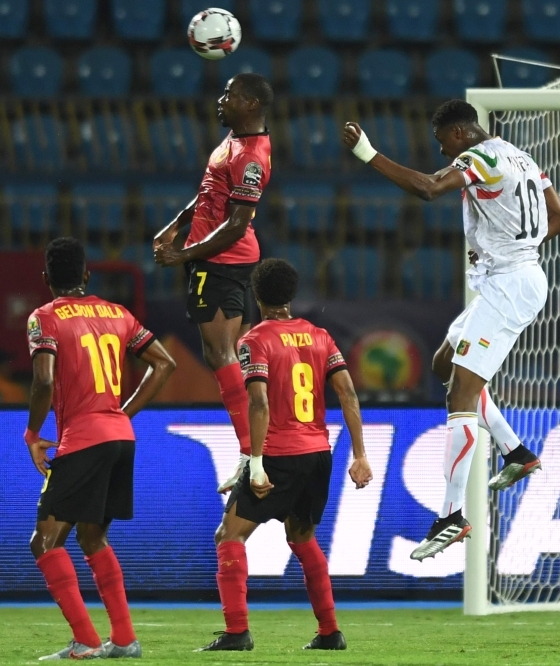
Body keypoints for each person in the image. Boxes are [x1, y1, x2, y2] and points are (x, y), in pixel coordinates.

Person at [342, 99, 560, 561]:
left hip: (511, 285)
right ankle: (516, 453)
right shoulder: (522, 158)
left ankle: (451, 516)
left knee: (460, 395)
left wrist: (369, 154)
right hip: (515, 277)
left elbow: (428, 188)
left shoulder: (477, 157)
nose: (444, 151)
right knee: (445, 364)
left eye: (442, 141)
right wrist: (515, 248)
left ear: (461, 132)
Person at [199, 259, 373, 652]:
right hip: (317, 454)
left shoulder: (254, 341)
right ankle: (330, 632)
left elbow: (258, 402)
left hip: (278, 455)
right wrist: (360, 454)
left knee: (229, 535)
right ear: (291, 296)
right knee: (302, 537)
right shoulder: (320, 336)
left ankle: (237, 631)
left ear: (256, 296)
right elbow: (347, 394)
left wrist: (255, 462)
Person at [25, 238, 176, 660]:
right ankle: (125, 640)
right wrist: (124, 414)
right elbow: (165, 363)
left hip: (83, 439)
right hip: (120, 437)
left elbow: (43, 381)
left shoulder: (44, 318)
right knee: (93, 537)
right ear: (87, 276)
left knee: (45, 541)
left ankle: (87, 642)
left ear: (46, 279)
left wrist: (33, 434)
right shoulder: (118, 313)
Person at [152, 72, 273, 493]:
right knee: (234, 356)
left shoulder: (252, 155)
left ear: (253, 104)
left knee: (220, 356)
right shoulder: (233, 142)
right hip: (226, 261)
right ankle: (256, 446)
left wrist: (184, 254)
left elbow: (237, 225)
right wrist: (174, 226)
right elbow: (208, 193)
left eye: (231, 95)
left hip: (221, 262)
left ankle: (251, 452)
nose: (221, 99)